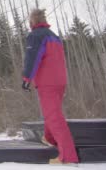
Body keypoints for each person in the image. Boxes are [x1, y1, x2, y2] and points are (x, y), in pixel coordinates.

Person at [22, 9, 79, 165]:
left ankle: (68, 156)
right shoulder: (54, 36)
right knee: (51, 113)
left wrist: (27, 78)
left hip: (47, 82)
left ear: (32, 21)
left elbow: (32, 58)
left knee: (55, 118)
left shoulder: (35, 36)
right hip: (60, 81)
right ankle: (49, 138)